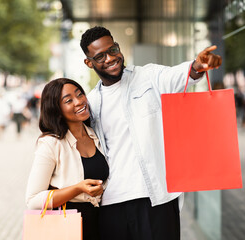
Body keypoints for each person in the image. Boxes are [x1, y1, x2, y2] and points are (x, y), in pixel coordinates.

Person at [80, 26, 222, 240]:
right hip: (111, 203)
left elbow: (181, 75)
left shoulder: (148, 76)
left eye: (113, 49)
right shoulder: (91, 102)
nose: (110, 58)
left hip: (156, 198)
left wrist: (197, 66)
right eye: (100, 56)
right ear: (89, 63)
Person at [25, 78, 109, 240]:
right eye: (68, 100)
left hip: (100, 221)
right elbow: (33, 200)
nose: (79, 102)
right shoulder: (51, 143)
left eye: (80, 94)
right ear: (56, 109)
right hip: (66, 223)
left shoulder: (95, 134)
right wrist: (78, 188)